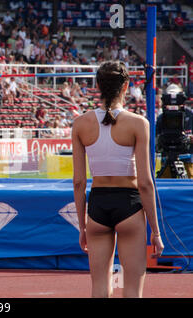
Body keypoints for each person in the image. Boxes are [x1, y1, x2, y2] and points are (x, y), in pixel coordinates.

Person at [71, 60, 164, 298]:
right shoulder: (138, 123)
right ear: (126, 87)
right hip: (129, 205)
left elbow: (79, 182)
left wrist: (82, 226)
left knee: (99, 289)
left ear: (98, 86)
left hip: (98, 205)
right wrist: (156, 231)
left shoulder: (80, 124)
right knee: (132, 290)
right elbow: (144, 182)